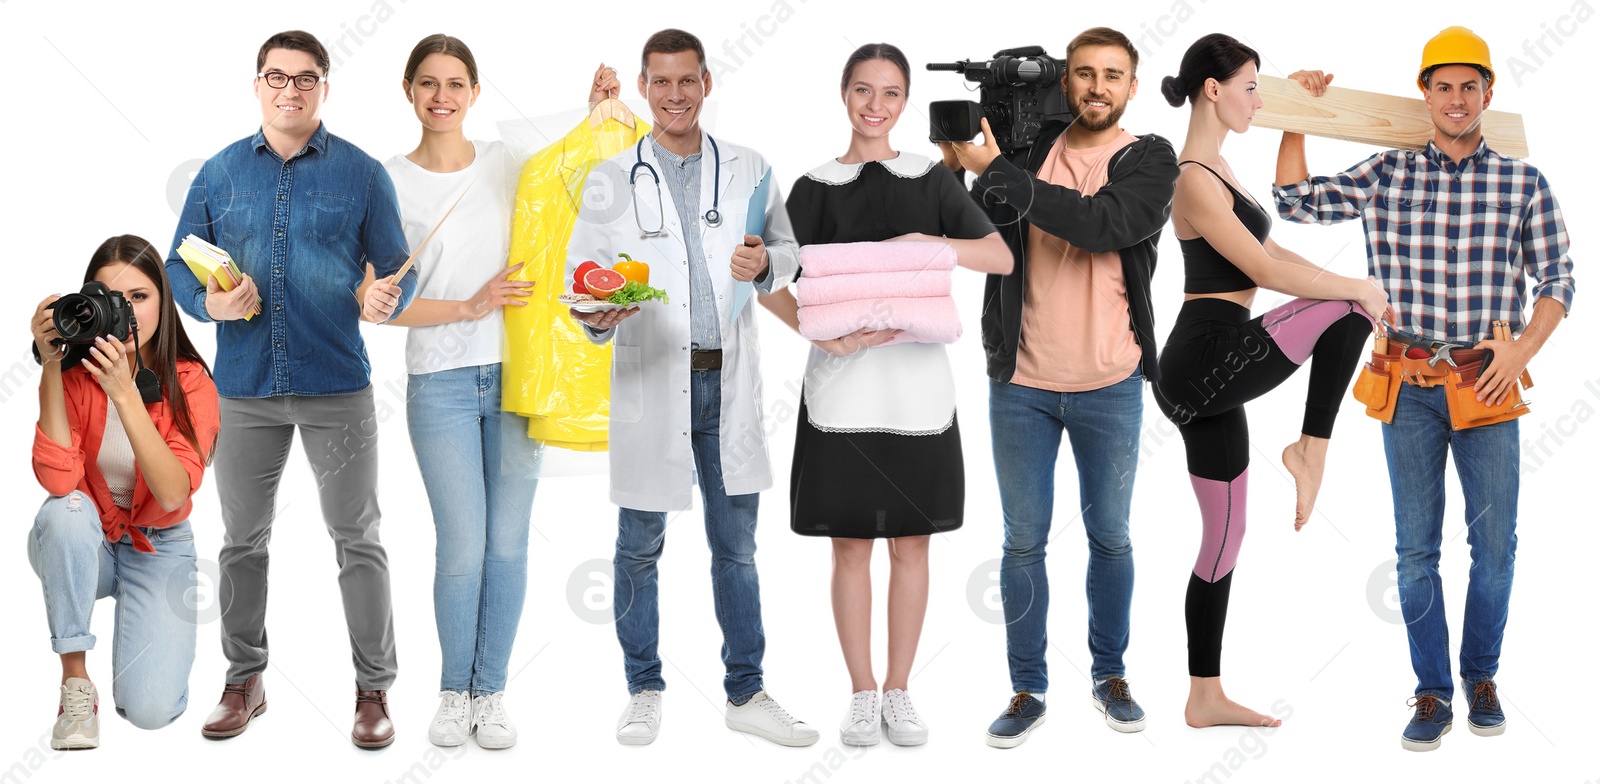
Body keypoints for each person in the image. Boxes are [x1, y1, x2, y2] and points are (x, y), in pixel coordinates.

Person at [1274, 26, 1574, 751]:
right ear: (1426, 94)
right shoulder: (1389, 172)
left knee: (1495, 548)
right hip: (1405, 384)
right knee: (1415, 552)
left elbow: (1558, 281)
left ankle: (1480, 678)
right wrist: (1293, 113)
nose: (1457, 99)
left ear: (1488, 94)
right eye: (1443, 86)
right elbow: (1293, 202)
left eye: (1470, 86)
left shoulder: (1522, 183)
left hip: (1487, 381)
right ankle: (1432, 691)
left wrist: (1524, 349)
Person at [565, 28, 817, 747]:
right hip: (651, 381)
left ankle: (748, 691)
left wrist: (767, 259)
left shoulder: (751, 166)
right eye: (662, 82)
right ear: (644, 88)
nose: (675, 94)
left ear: (707, 81)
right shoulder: (612, 177)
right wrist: (597, 313)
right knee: (638, 543)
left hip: (725, 384)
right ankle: (643, 688)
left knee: (736, 546)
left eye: (688, 80)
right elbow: (581, 277)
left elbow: (789, 252)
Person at [165, 30, 416, 749]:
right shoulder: (216, 174)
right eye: (277, 77)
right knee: (242, 540)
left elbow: (400, 268)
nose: (291, 90)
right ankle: (245, 678)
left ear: (324, 89)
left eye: (306, 79)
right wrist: (209, 304)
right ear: (258, 85)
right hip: (243, 389)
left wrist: (384, 299)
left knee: (358, 538)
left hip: (338, 384)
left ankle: (374, 689)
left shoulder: (363, 175)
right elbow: (180, 269)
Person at [758, 43, 1009, 747]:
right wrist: (818, 333)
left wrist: (924, 244)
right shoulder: (811, 186)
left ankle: (901, 690)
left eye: (891, 93)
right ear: (844, 95)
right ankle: (861, 692)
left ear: (904, 102)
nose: (876, 106)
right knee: (847, 549)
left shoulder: (930, 178)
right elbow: (763, 277)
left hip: (918, 392)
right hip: (841, 395)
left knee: (911, 548)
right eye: (864, 91)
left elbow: (1000, 255)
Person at [942, 27, 1178, 748]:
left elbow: (1104, 224)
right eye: (1083, 74)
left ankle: (1110, 675)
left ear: (1132, 86)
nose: (1097, 87)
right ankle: (1026, 687)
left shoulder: (1150, 159)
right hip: (1022, 384)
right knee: (1022, 544)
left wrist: (996, 172)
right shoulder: (1025, 150)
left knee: (1110, 537)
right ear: (1064, 83)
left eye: (1112, 74)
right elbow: (968, 228)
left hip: (1111, 383)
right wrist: (958, 169)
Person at [1151, 33, 1389, 729]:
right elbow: (1261, 272)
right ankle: (1311, 448)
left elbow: (1272, 249)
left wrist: (1293, 117)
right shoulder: (1192, 175)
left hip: (1209, 367)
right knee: (1347, 307)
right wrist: (1357, 287)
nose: (1257, 98)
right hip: (1206, 357)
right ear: (1212, 90)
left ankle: (1203, 695)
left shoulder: (1219, 166)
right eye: (1251, 87)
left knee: (1224, 538)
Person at [378, 34, 547, 750]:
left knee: (508, 543)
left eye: (455, 84)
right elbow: (383, 302)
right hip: (439, 381)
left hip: (518, 375)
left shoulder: (510, 161)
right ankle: (454, 690)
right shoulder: (387, 179)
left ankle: (492, 691)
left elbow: (583, 176)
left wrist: (605, 106)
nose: (442, 96)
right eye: (428, 84)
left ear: (476, 93)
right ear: (410, 91)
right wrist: (471, 306)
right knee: (463, 544)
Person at [28, 234, 221, 750]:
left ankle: (144, 643)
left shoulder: (191, 382)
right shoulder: (73, 374)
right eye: (109, 298)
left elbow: (174, 493)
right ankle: (75, 681)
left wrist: (125, 392)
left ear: (163, 300)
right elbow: (58, 481)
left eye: (138, 297)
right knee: (65, 512)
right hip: (83, 539)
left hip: (157, 544)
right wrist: (50, 362)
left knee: (151, 710)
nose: (124, 312)